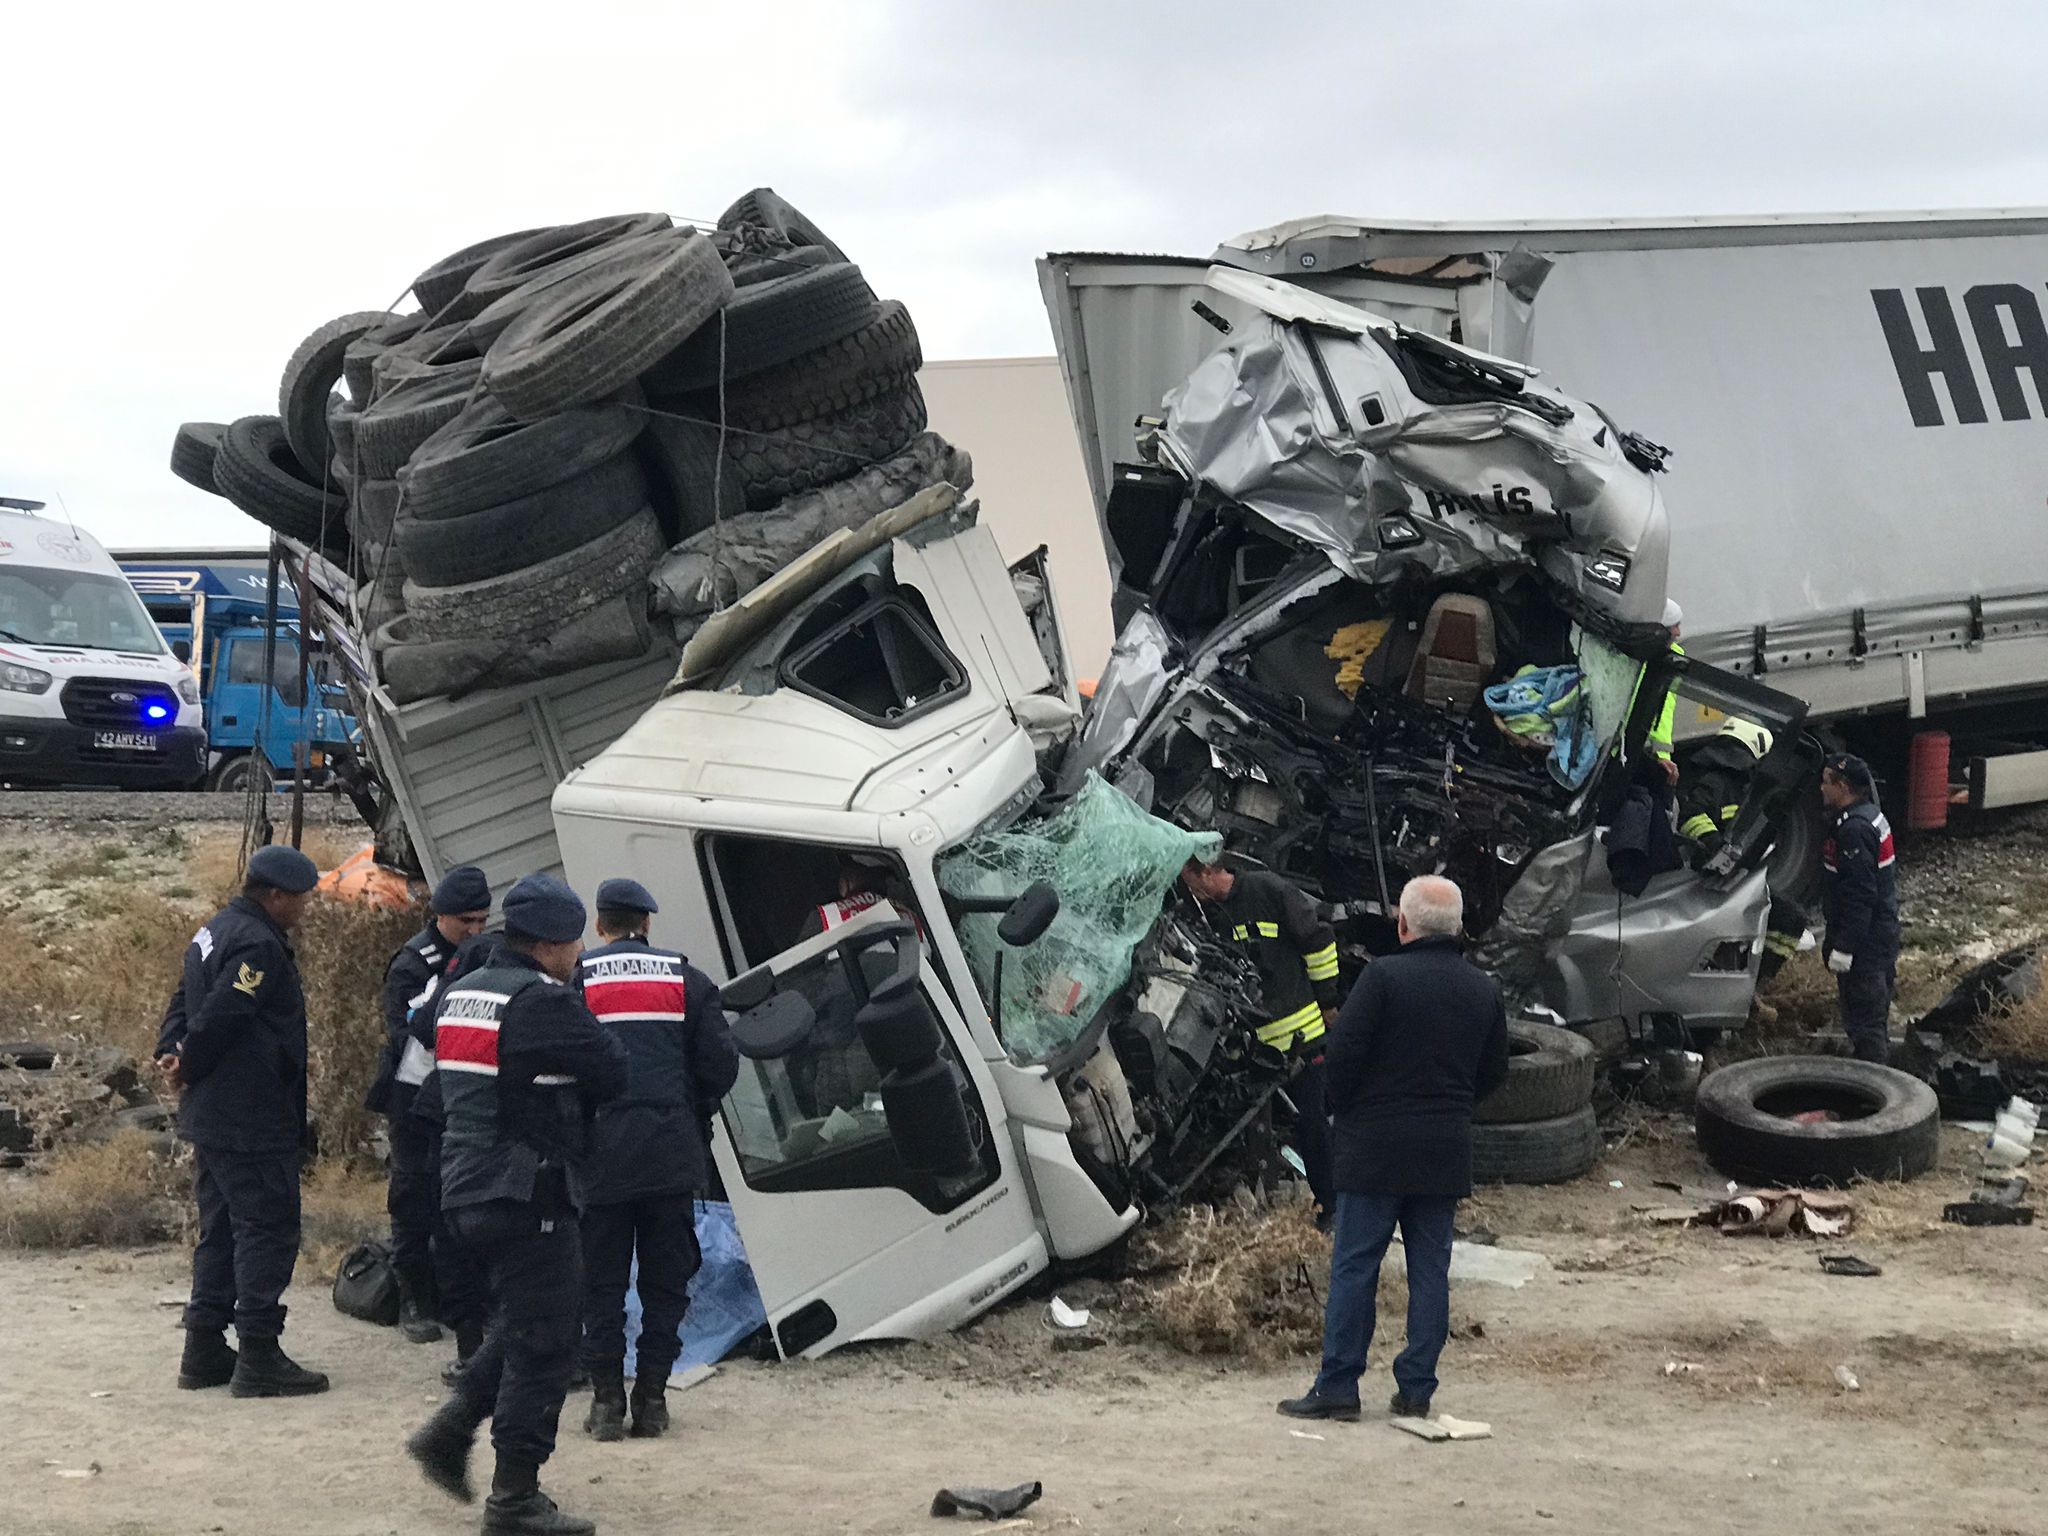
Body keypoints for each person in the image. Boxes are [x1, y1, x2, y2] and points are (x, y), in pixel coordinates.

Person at [406, 876, 628, 1536]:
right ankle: (515, 1501)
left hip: (465, 1184)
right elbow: (612, 1068)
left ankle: (448, 1431)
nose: (580, 952)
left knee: (529, 1319)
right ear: (555, 943)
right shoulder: (541, 1001)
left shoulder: (465, 991)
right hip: (527, 1189)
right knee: (546, 1347)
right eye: (576, 941)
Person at [1279, 875, 1508, 1423]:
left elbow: (1343, 1059)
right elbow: (1495, 1073)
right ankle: (1416, 1390)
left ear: (1402, 924)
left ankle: (1338, 1386)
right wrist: (1452, 1106)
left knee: (1356, 1266)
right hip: (1443, 1149)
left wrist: (1344, 1109)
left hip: (1374, 1147)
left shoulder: (1382, 978)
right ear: (1457, 928)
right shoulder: (1484, 989)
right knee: (1431, 1270)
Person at [154, 843, 330, 1398]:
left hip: (215, 1113)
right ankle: (258, 1354)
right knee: (267, 1227)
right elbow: (227, 1011)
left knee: (223, 1228)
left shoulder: (216, 928)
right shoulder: (257, 944)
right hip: (249, 1113)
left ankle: (204, 1347)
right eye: (299, 899)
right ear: (274, 895)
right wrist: (191, 1062)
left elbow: (184, 996)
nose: (304, 909)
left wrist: (172, 1049)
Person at [575, 878, 739, 1443]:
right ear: (646, 924)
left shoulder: (577, 982)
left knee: (601, 1282)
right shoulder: (687, 981)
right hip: (670, 1154)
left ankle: (603, 1403)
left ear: (600, 925)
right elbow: (721, 1066)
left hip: (598, 1158)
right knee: (665, 1282)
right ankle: (651, 1400)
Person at [366, 864, 492, 1345]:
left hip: (465, 1091)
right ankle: (413, 1293)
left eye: (482, 920)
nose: (475, 931)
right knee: (413, 1195)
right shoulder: (413, 964)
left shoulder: (485, 954)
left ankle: (461, 1297)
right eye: (466, 922)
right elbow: (401, 1032)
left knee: (460, 1196)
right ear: (440, 916)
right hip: (416, 1092)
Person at [1180, 854, 1341, 1221]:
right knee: (1257, 1129)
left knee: (1312, 1124)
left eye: (1192, 883)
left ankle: (1334, 1208)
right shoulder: (1211, 915)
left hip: (1301, 1039)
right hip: (1254, 1047)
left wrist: (1328, 1000)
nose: (1192, 894)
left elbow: (1319, 940)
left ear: (1207, 872)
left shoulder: (1269, 891)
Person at [1819, 753, 1900, 1064]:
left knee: (1866, 1027)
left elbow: (1860, 896)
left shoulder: (1854, 830)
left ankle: (1876, 1094)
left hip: (1866, 946)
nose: (1821, 788)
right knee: (1869, 1022)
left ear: (1843, 786)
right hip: (1877, 937)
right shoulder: (1869, 815)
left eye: (1826, 782)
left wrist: (1845, 947)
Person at [1676, 717, 1773, 869]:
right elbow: (1690, 815)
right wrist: (1717, 846)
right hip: (1690, 868)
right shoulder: (1717, 782)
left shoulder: (1730, 780)